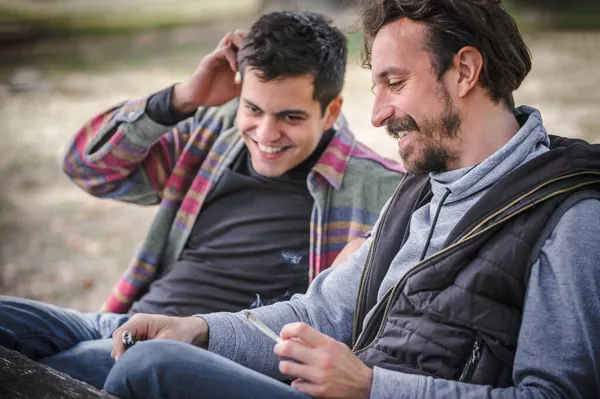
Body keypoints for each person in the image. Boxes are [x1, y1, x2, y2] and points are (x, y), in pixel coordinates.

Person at [101, 0, 600, 398]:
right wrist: (198, 330)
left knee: (152, 368)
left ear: (465, 71)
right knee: (55, 342)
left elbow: (559, 392)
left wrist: (371, 387)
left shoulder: (570, 215)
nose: (379, 114)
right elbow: (319, 316)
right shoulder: (419, 191)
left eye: (395, 83)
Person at [0, 11, 404, 390]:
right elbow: (87, 167)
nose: (266, 133)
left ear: (331, 111)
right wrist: (182, 98)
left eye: (290, 117)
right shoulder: (214, 135)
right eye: (253, 108)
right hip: (119, 322)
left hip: (204, 355)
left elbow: (353, 326)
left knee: (61, 369)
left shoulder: (382, 189)